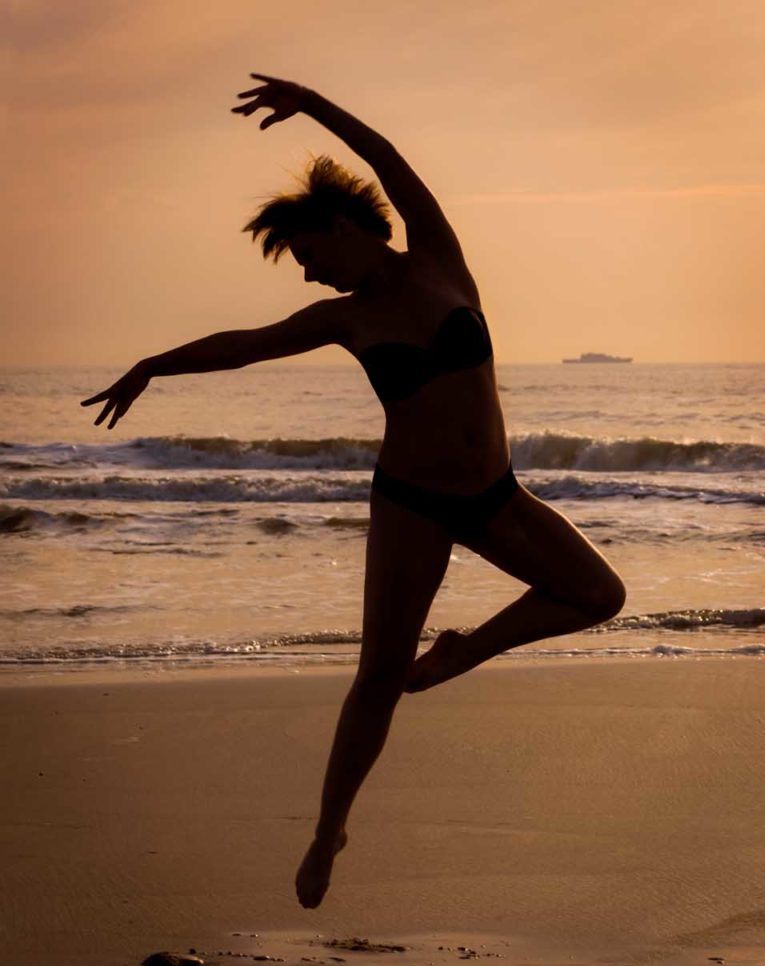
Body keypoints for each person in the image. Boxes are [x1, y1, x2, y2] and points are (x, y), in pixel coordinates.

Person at [82, 75, 626, 909]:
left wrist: (311, 103)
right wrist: (155, 364)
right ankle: (328, 831)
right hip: (412, 502)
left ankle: (464, 652)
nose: (308, 277)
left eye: (308, 257)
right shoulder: (344, 319)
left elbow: (387, 156)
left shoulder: (438, 256)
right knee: (378, 676)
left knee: (598, 593)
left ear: (341, 228)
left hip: (495, 494)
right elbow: (243, 344)